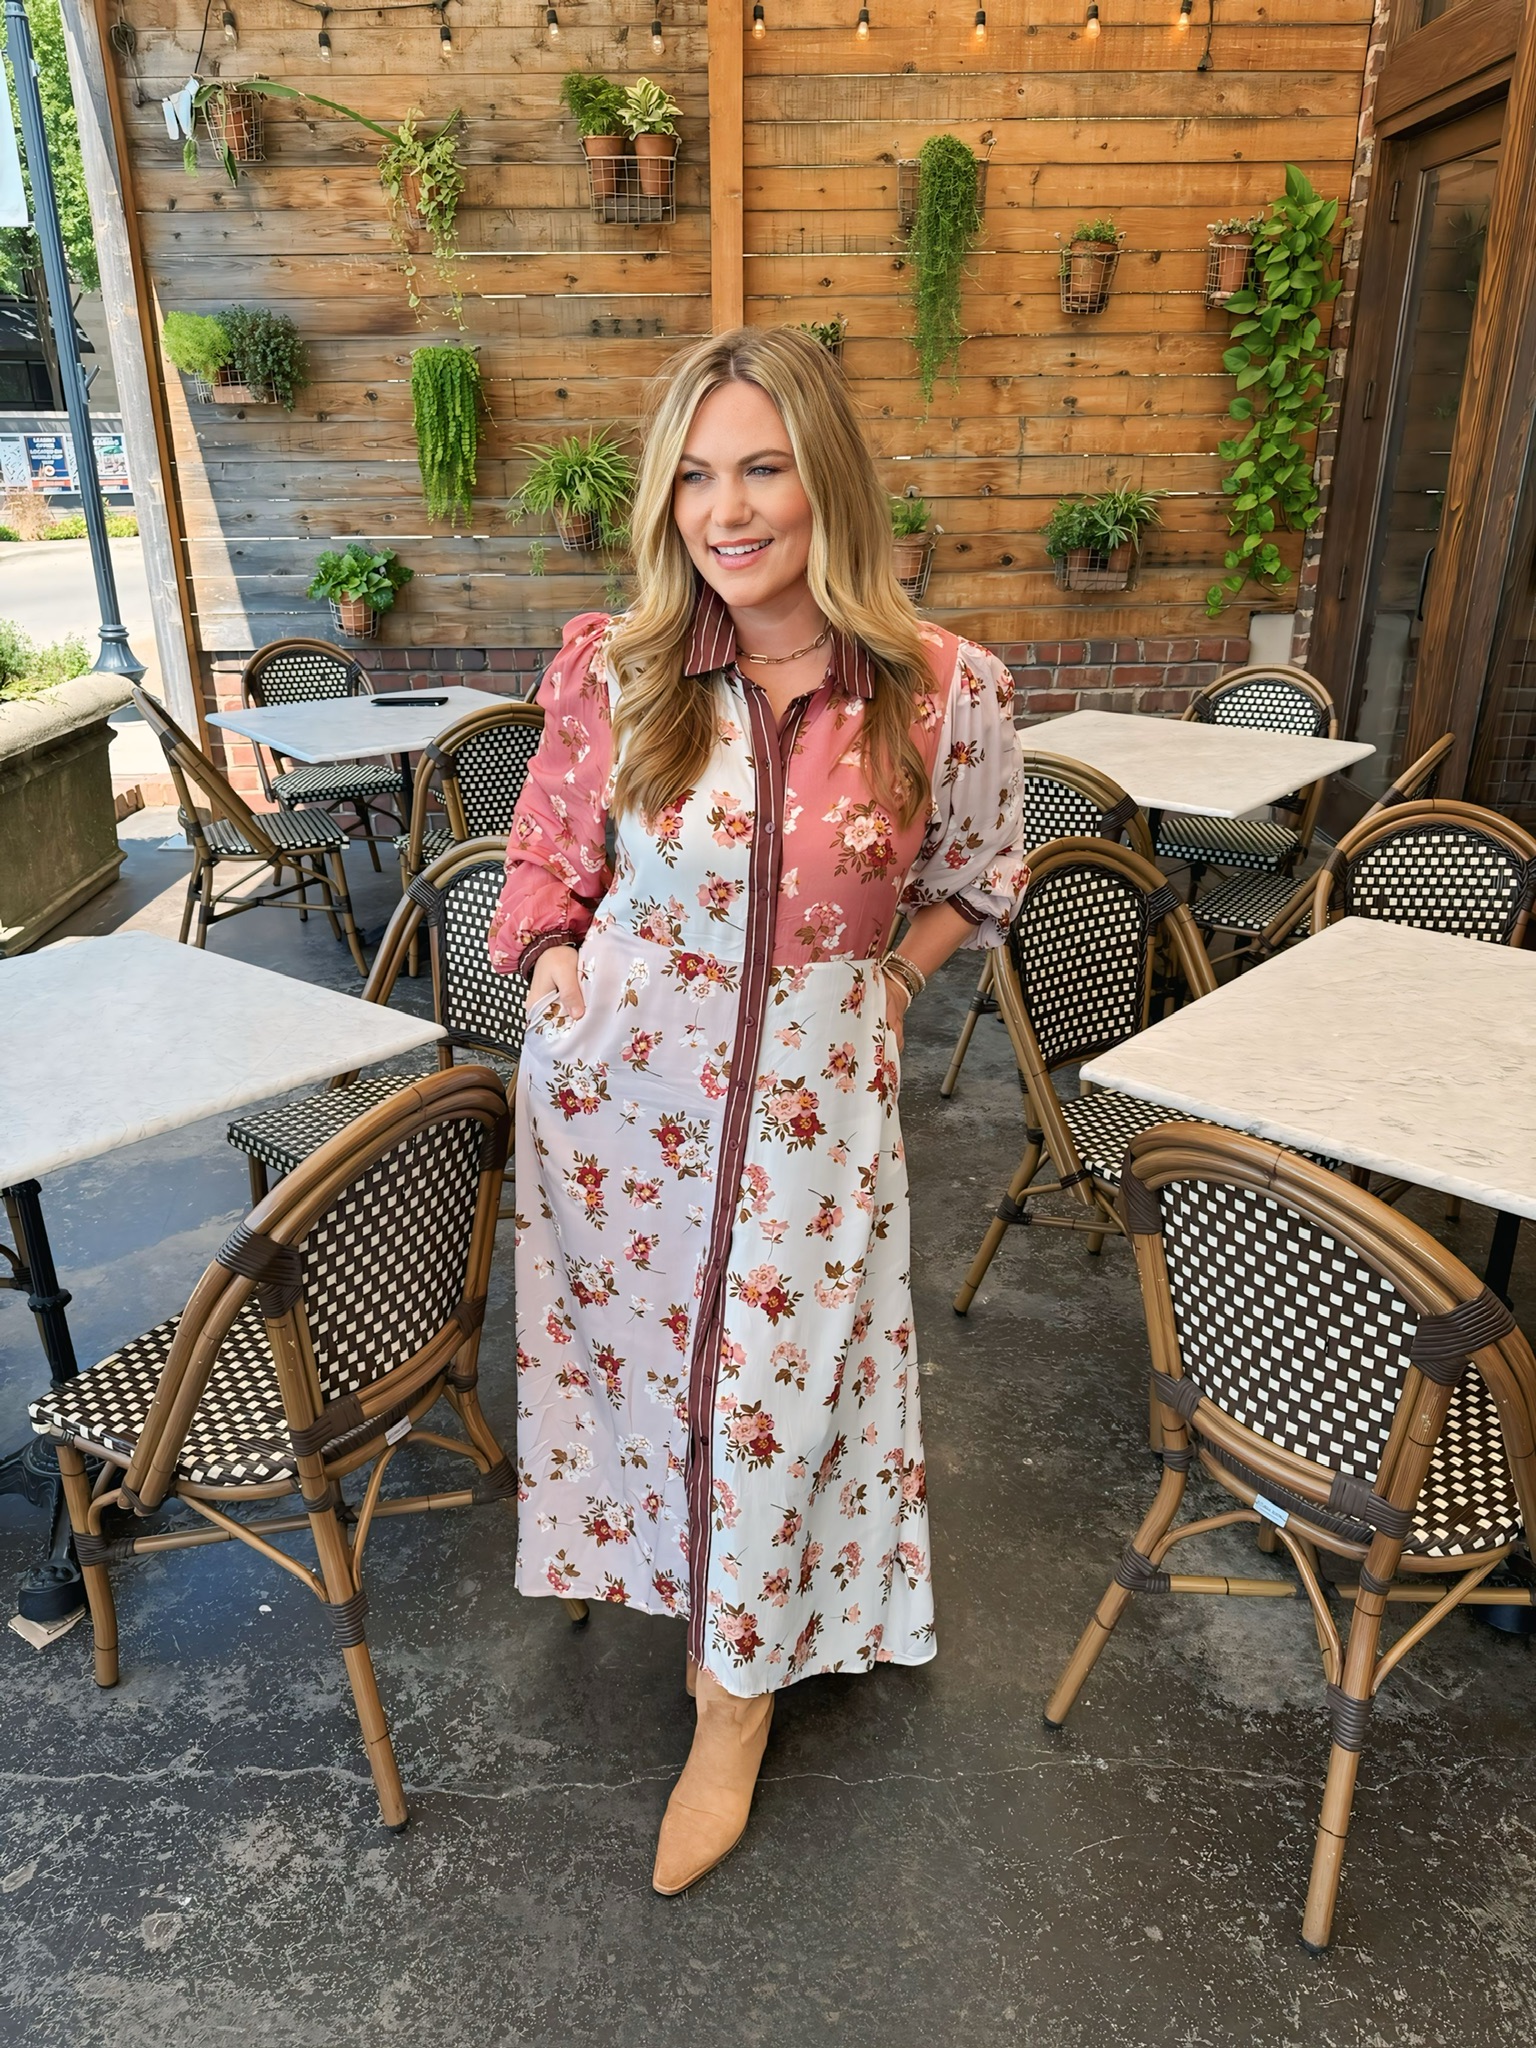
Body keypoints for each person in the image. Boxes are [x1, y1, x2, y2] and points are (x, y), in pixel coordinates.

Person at [489, 324, 1027, 1894]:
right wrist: (554, 962)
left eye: (763, 470)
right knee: (655, 1381)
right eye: (696, 477)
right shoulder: (618, 666)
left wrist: (895, 981)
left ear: (825, 481)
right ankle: (695, 1597)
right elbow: (545, 858)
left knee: (779, 1388)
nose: (726, 511)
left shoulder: (941, 689)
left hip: (811, 1107)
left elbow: (982, 875)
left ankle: (733, 1702)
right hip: (625, 1099)